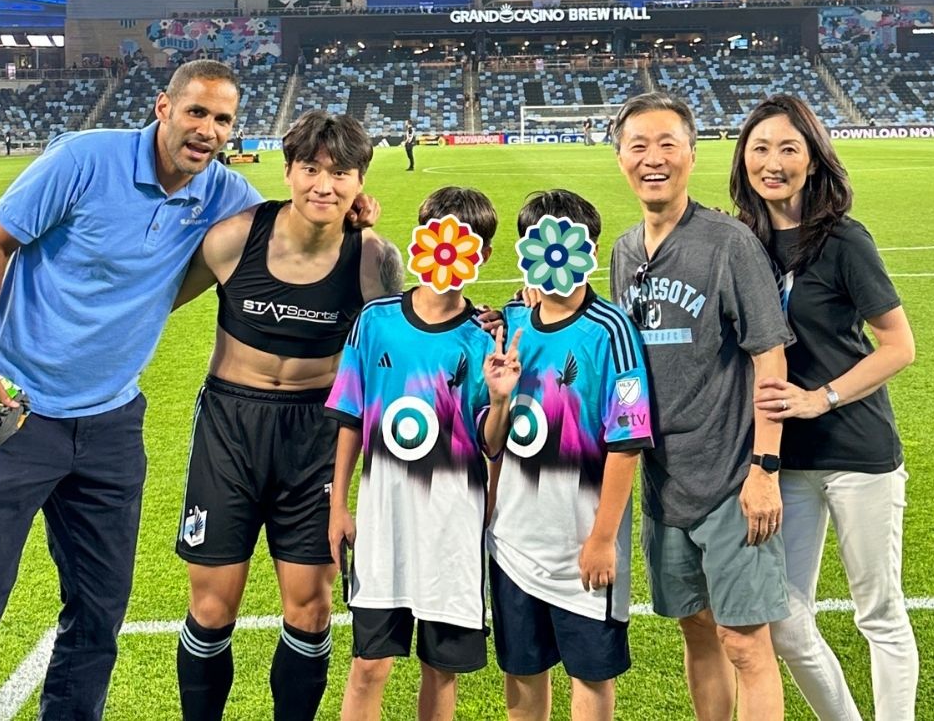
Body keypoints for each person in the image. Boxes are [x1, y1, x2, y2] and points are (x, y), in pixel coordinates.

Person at [0, 59, 269, 720]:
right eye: (196, 111)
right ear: (164, 108)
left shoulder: (223, 193)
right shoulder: (85, 158)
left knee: (99, 613)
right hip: (13, 414)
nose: (207, 129)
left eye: (222, 119)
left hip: (110, 426)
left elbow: (286, 235)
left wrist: (351, 209)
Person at [172, 111, 397, 721]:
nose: (324, 185)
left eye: (341, 173)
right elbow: (151, 301)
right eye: (312, 170)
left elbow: (404, 343)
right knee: (213, 607)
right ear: (290, 170)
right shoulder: (233, 238)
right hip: (230, 426)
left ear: (360, 183)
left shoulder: (374, 259)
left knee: (310, 607)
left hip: (318, 433)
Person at [730, 94, 918, 721]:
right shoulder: (743, 244)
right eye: (760, 148)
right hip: (786, 460)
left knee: (880, 613)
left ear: (812, 159)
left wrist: (822, 396)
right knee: (785, 618)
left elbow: (899, 346)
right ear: (744, 161)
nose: (773, 162)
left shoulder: (843, 241)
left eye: (788, 148)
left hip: (859, 452)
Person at [608, 92, 792, 721]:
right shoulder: (625, 250)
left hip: (732, 482)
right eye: (638, 146)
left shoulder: (729, 242)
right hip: (664, 485)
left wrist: (764, 470)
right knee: (697, 631)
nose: (653, 158)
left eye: (667, 144)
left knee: (746, 644)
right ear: (619, 158)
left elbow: (771, 358)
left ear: (692, 153)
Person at [328, 187, 519, 721]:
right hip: (383, 520)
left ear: (478, 253)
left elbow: (491, 441)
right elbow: (348, 415)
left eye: (468, 242)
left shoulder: (486, 339)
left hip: (451, 524)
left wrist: (501, 399)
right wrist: (338, 504)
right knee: (370, 665)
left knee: (442, 670)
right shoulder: (376, 321)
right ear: (423, 239)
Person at [488, 190, 653, 721]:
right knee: (522, 671)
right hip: (513, 540)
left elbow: (627, 442)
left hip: (582, 542)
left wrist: (603, 539)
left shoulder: (613, 331)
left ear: (589, 249)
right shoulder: (510, 322)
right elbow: (491, 436)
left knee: (590, 675)